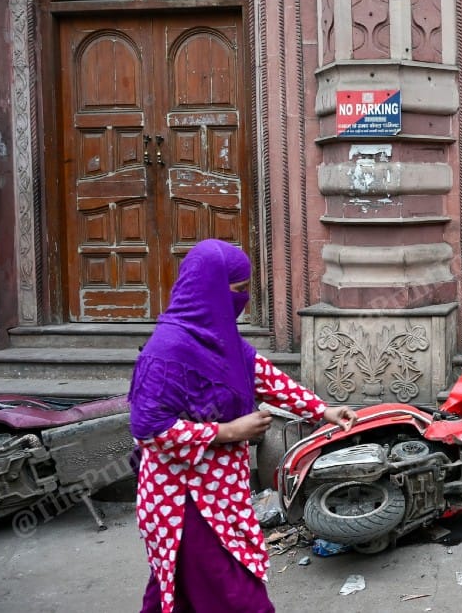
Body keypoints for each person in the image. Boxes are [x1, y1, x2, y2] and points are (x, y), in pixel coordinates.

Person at [128, 239, 356, 613]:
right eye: (237, 291)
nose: (243, 300)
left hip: (223, 495)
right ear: (210, 291)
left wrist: (323, 411)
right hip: (185, 501)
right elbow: (150, 429)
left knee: (181, 592)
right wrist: (229, 432)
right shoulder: (166, 352)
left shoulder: (224, 341)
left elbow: (265, 377)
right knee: (235, 598)